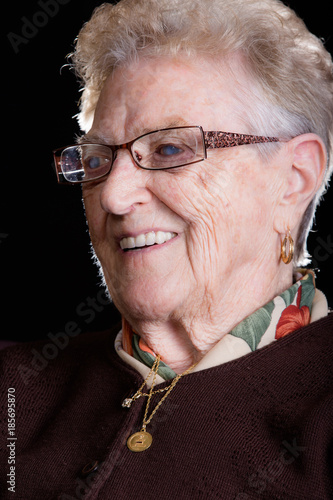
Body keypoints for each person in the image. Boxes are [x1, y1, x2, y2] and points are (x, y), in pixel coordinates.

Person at [1, 0, 332, 498]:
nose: (112, 195)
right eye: (97, 159)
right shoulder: (12, 390)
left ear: (294, 177)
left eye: (170, 149)